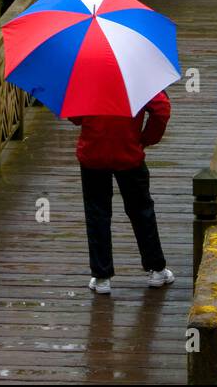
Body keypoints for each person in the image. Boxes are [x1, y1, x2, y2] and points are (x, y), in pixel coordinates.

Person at [67, 90, 173, 294]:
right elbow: (161, 109)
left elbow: (75, 116)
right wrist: (146, 138)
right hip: (128, 151)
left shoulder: (86, 76)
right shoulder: (139, 72)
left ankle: (101, 277)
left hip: (94, 152)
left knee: (97, 212)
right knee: (141, 210)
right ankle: (156, 269)